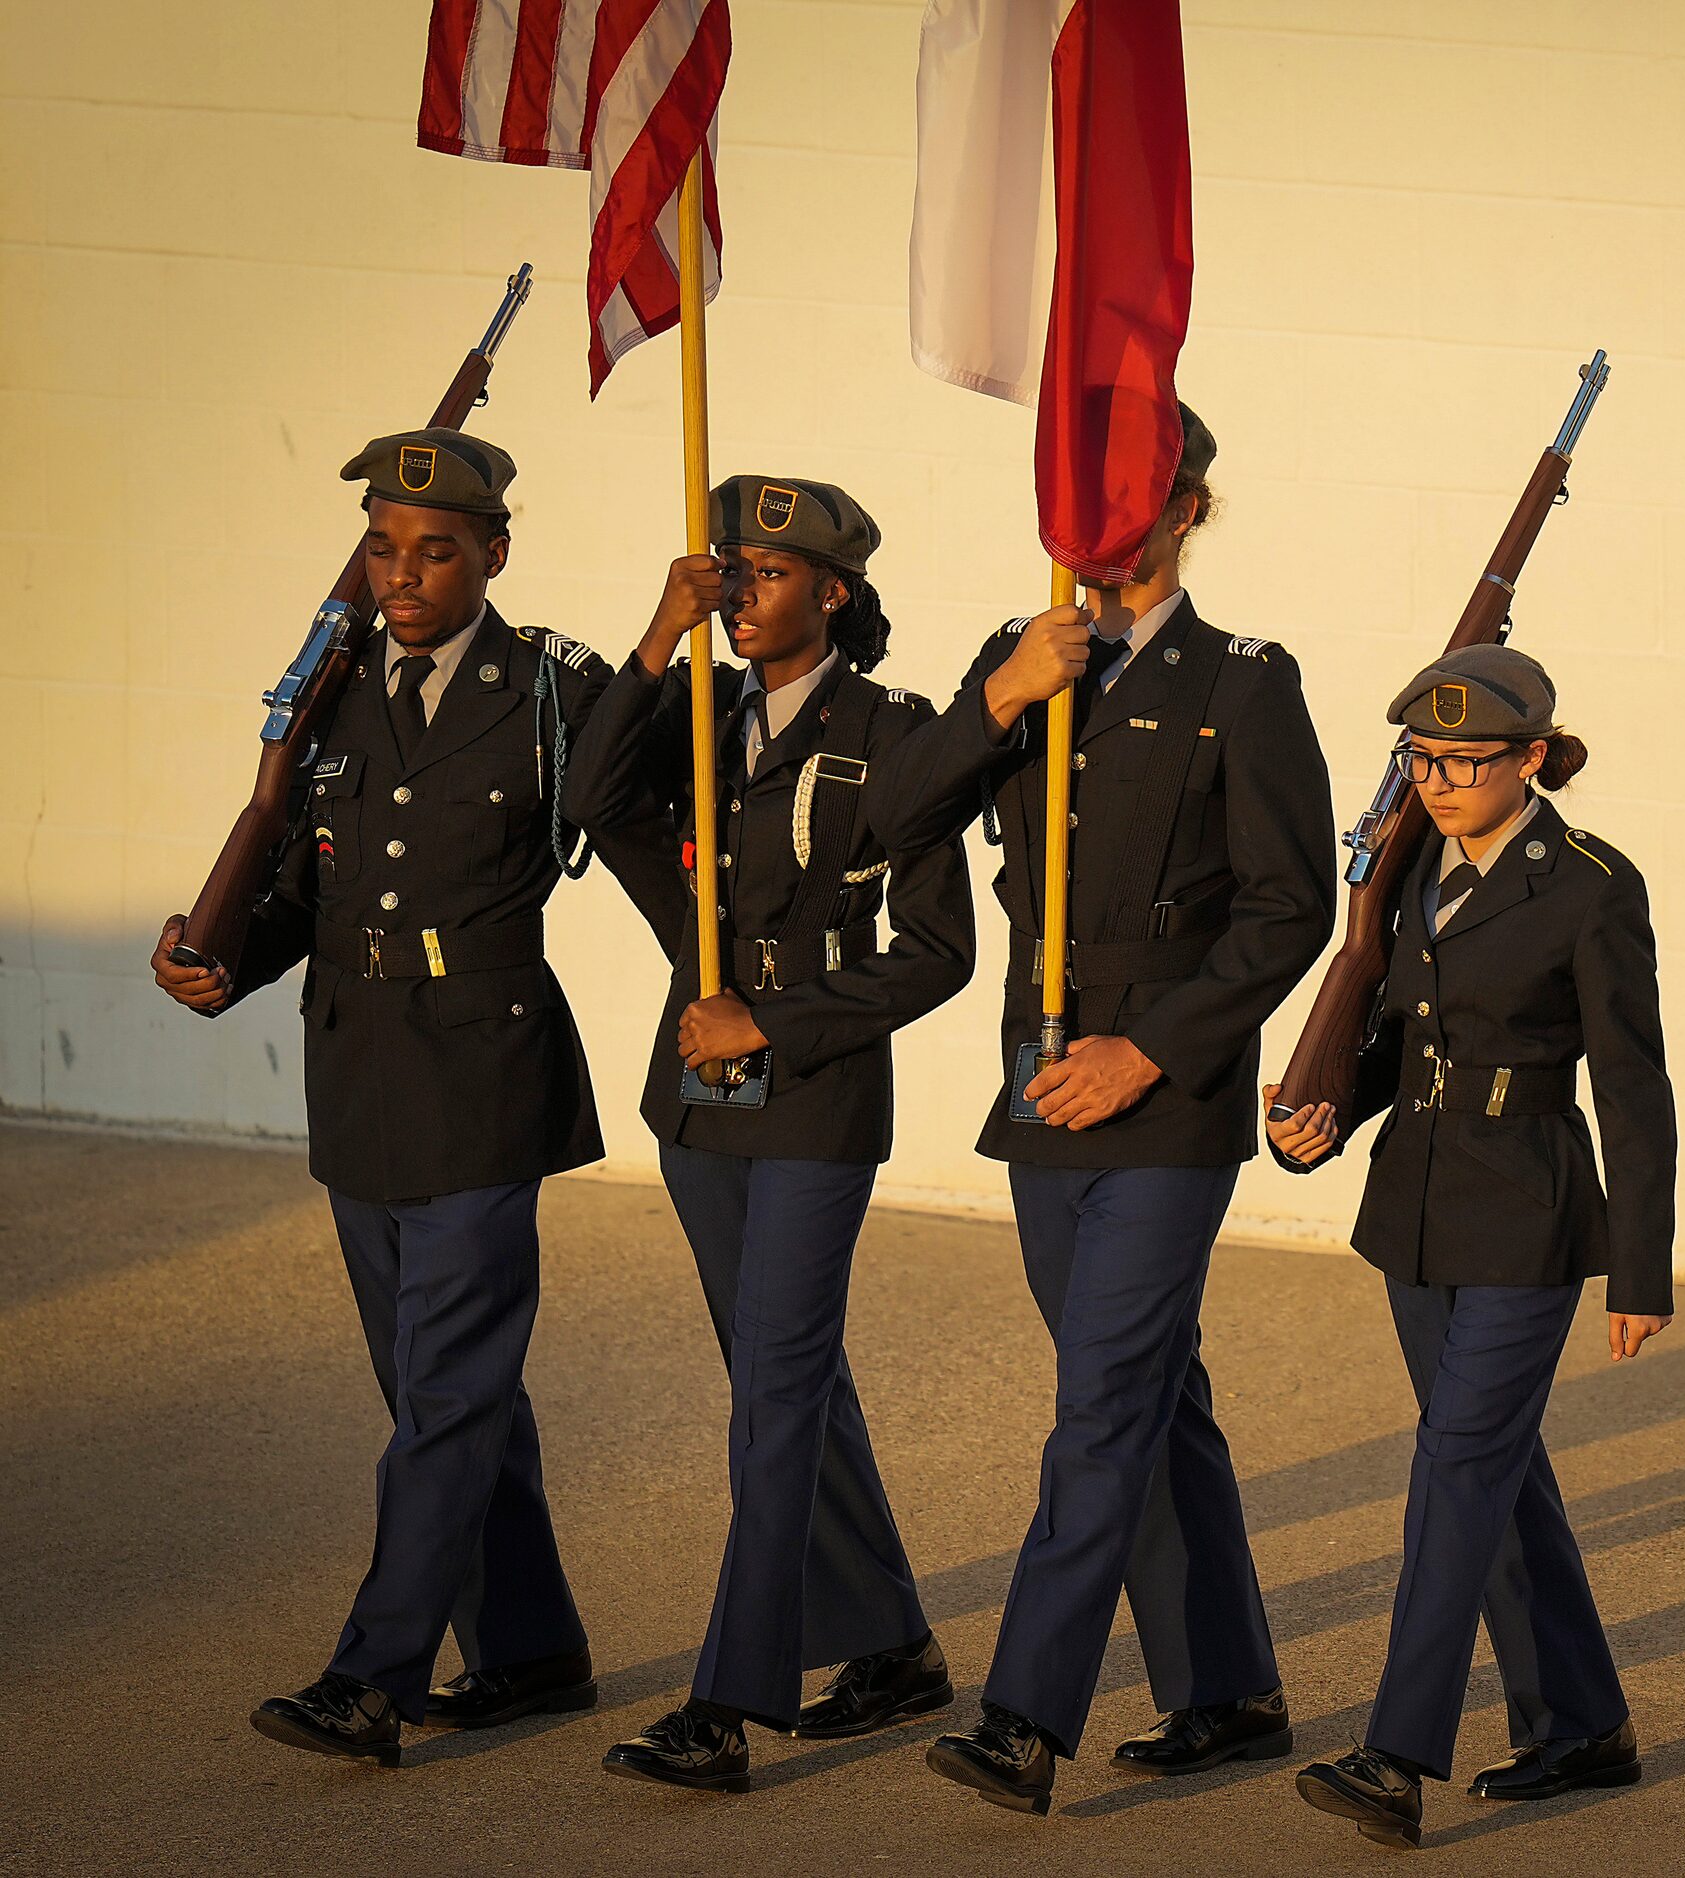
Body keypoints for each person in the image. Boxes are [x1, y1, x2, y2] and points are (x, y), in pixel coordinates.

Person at [150, 426, 684, 1766]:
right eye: (383, 547)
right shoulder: (330, 691)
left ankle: (370, 1675)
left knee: (446, 1395)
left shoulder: (552, 686)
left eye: (435, 550)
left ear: (493, 555)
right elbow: (298, 888)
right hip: (362, 1074)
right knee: (440, 1395)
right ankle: (528, 1646)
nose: (403, 573)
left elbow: (633, 838)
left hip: (484, 1076)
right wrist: (224, 956)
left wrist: (732, 1004)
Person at [897, 406, 1337, 1815]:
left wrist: (1148, 1053)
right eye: (1080, 493)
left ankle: (1025, 1713)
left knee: (1098, 1404)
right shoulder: (1026, 655)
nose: (1097, 522)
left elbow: (1287, 912)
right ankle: (1228, 1690)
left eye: (1130, 495)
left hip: (1159, 1094)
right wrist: (1001, 699)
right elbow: (887, 825)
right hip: (1035, 1085)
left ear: (1189, 506)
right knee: (1149, 1393)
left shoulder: (1245, 682)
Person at [561, 475, 978, 1792]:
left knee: (778, 1397)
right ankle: (896, 1641)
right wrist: (654, 631)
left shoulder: (893, 735)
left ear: (833, 592)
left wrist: (776, 1018)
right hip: (696, 1106)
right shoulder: (689, 713)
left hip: (812, 1100)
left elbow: (940, 951)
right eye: (728, 569)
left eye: (769, 573)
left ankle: (728, 1701)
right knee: (782, 1381)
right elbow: (585, 796)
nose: (740, 591)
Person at [1265, 645, 1674, 1851]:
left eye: (1467, 761)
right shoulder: (1411, 871)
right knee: (1492, 1472)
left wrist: (1639, 1272)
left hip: (1529, 1213)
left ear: (1534, 758)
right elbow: (1403, 1031)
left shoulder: (1593, 885)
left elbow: (1635, 1089)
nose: (1439, 782)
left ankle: (1397, 1752)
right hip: (1419, 1207)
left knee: (1454, 1472)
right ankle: (1583, 1725)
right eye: (1422, 759)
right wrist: (1333, 1110)